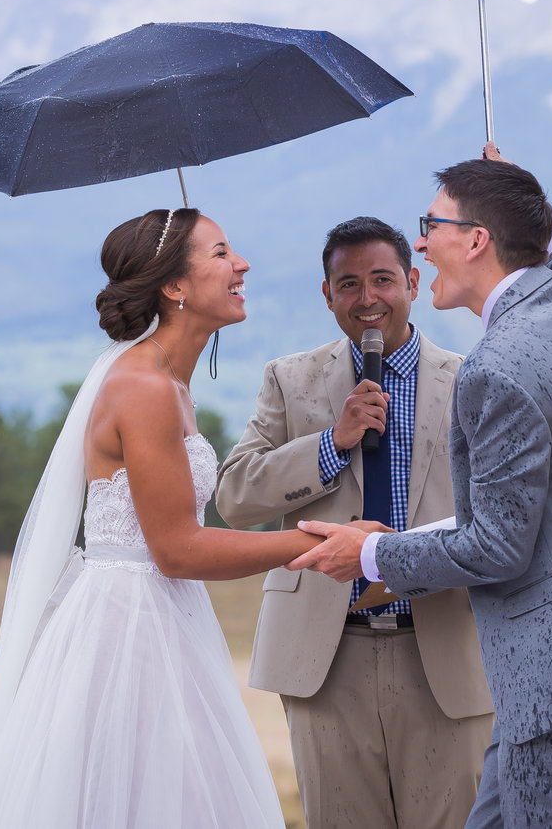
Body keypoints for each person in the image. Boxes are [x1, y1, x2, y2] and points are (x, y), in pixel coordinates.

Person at [291, 152, 552, 829]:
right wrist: (520, 199)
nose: (418, 242)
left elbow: (498, 546)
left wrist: (371, 558)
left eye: (431, 224)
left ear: (475, 241)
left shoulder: (496, 370)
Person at [0, 206, 325, 829]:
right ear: (175, 287)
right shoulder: (145, 388)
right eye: (219, 253)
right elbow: (177, 550)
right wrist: (311, 542)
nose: (241, 264)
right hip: (128, 633)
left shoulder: (171, 382)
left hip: (165, 617)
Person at [215, 216, 495, 829]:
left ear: (414, 284)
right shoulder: (290, 380)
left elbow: (499, 517)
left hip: (446, 649)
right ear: (327, 296)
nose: (366, 299)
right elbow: (233, 495)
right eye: (348, 284)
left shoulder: (475, 379)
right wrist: (329, 444)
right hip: (326, 656)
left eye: (382, 280)